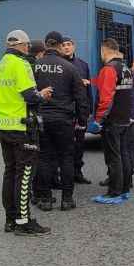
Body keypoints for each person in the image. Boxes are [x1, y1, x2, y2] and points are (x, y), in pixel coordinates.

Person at [0, 29, 53, 236]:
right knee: (25, 175)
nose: (28, 49)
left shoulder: (0, 65)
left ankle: (10, 219)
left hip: (4, 126)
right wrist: (42, 94)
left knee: (10, 173)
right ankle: (24, 221)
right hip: (23, 127)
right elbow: (30, 96)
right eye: (27, 45)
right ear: (20, 45)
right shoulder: (22, 64)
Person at [33, 31, 88, 211]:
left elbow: (27, 93)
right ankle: (66, 199)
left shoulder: (36, 66)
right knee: (66, 158)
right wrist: (82, 119)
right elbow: (81, 97)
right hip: (64, 119)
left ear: (46, 44)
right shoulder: (70, 67)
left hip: (42, 118)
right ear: (59, 45)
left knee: (45, 158)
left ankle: (46, 199)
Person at [91, 38, 134, 203]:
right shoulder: (126, 68)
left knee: (113, 157)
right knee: (123, 154)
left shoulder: (109, 69)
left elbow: (106, 98)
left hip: (112, 121)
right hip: (124, 119)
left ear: (105, 50)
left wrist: (99, 119)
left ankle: (114, 192)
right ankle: (125, 188)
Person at [61, 36, 93, 184]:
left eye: (69, 45)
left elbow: (88, 90)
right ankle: (63, 175)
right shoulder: (59, 65)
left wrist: (89, 109)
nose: (66, 47)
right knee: (64, 145)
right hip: (64, 111)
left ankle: (77, 172)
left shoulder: (83, 65)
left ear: (74, 47)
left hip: (80, 111)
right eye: (63, 45)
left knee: (79, 144)